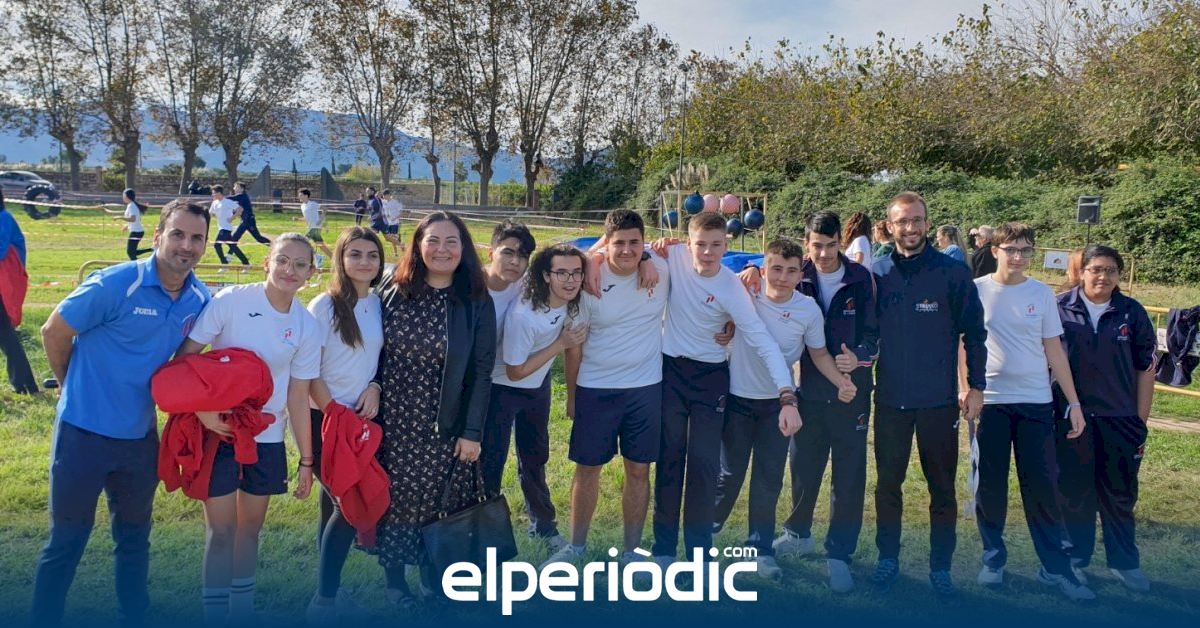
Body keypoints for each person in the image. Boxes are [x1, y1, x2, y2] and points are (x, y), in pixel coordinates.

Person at [32, 199, 212, 626]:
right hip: (82, 434)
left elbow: (185, 365)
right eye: (178, 234)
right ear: (157, 236)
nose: (186, 246)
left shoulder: (200, 299)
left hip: (139, 440)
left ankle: (134, 614)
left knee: (134, 539)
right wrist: (68, 386)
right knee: (67, 540)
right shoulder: (115, 284)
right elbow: (54, 331)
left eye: (197, 238)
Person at [179, 233, 321, 624]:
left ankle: (241, 612)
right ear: (267, 263)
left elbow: (298, 395)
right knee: (222, 531)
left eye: (300, 264)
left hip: (266, 439)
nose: (290, 270)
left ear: (311, 273)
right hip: (220, 432)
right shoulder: (231, 301)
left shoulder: (307, 326)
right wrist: (204, 410)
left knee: (250, 530)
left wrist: (306, 460)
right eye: (283, 260)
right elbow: (186, 359)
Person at [650, 211, 802, 566]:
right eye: (700, 244)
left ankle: (700, 554)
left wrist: (786, 393)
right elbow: (620, 249)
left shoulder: (732, 288)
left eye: (716, 245)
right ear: (687, 243)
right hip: (672, 373)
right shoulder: (672, 256)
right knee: (669, 461)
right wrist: (642, 256)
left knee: (704, 467)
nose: (707, 252)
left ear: (726, 245)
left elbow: (762, 340)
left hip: (711, 379)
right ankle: (664, 551)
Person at [740, 211, 879, 593]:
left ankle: (839, 555)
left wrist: (859, 357)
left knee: (848, 474)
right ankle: (798, 533)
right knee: (803, 464)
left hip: (852, 389)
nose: (823, 254)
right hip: (810, 389)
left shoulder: (861, 278)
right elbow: (766, 273)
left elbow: (875, 334)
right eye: (816, 246)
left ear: (841, 243)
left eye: (831, 246)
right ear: (807, 243)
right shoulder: (797, 273)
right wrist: (750, 268)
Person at [369, 211, 495, 608]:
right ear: (418, 245)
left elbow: (482, 371)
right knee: (395, 500)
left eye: (451, 241)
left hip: (444, 420)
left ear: (464, 248)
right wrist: (372, 386)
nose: (442, 250)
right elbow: (369, 347)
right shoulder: (392, 288)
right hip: (392, 418)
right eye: (433, 240)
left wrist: (472, 432)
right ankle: (394, 582)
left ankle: (432, 578)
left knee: (438, 501)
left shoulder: (475, 300)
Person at [713, 238, 857, 580]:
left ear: (800, 274)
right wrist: (746, 273)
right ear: (763, 269)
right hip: (737, 400)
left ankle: (760, 550)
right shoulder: (746, 295)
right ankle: (705, 535)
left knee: (768, 479)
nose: (782, 277)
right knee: (729, 475)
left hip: (779, 407)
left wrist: (841, 382)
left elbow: (818, 354)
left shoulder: (808, 310)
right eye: (775, 269)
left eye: (791, 271)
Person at [965, 222, 1094, 600]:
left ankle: (1055, 568)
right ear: (995, 251)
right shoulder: (976, 291)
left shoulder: (1041, 293)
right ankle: (993, 560)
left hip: (1036, 402)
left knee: (1042, 487)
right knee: (990, 486)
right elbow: (964, 344)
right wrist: (967, 389)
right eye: (1011, 250)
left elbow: (1055, 351)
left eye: (1025, 250)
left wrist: (1073, 402)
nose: (1019, 257)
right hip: (991, 402)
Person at [870, 191, 987, 598]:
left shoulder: (952, 273)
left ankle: (941, 568)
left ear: (927, 223)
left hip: (938, 402)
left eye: (917, 220)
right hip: (890, 400)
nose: (911, 228)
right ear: (890, 226)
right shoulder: (876, 273)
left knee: (942, 489)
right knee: (888, 485)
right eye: (902, 221)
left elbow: (975, 333)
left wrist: (976, 386)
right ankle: (887, 559)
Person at [540, 210, 668, 569]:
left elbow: (704, 260)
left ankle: (631, 553)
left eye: (635, 243)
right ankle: (576, 547)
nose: (627, 250)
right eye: (619, 243)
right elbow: (574, 347)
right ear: (606, 243)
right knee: (588, 469)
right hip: (596, 388)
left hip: (645, 388)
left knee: (639, 470)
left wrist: (753, 270)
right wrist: (573, 396)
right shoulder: (587, 281)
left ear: (644, 243)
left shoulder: (661, 268)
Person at [1055, 245, 1156, 593]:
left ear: (1119, 275)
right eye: (1096, 269)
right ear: (1081, 271)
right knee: (1075, 493)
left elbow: (1145, 369)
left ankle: (1125, 563)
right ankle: (1075, 559)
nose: (1103, 276)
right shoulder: (1059, 307)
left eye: (1111, 270)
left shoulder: (1132, 312)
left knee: (1120, 495)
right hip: (1072, 418)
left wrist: (1139, 420)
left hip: (1120, 418)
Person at [482, 243, 589, 550]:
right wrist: (559, 344)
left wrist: (572, 398)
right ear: (545, 275)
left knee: (535, 457)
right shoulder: (524, 316)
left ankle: (543, 526)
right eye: (562, 273)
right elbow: (515, 372)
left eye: (576, 273)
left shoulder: (571, 300)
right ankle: (484, 534)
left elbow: (573, 351)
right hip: (501, 389)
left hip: (537, 387)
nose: (570, 280)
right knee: (491, 463)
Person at [303, 227, 386, 622]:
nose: (364, 262)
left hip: (358, 418)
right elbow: (308, 370)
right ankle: (323, 603)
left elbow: (377, 360)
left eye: (372, 255)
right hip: (324, 418)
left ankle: (328, 590)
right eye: (355, 254)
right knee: (350, 504)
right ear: (341, 258)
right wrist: (334, 413)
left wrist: (375, 386)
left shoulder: (379, 303)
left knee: (331, 502)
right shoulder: (324, 306)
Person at [0, 189, 37, 394]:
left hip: (5, 284)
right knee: (6, 335)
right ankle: (23, 383)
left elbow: (0, 250)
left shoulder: (3, 218)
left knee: (6, 335)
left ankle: (24, 383)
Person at [104, 188, 153, 260]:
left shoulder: (131, 206)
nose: (122, 197)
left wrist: (120, 217)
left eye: (123, 195)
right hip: (137, 232)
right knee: (132, 252)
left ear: (127, 196)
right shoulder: (131, 205)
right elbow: (135, 219)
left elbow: (133, 219)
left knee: (130, 252)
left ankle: (137, 264)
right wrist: (127, 226)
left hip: (136, 232)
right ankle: (152, 249)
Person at [210, 185, 250, 268]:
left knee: (217, 245)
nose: (212, 195)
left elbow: (240, 209)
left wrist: (232, 218)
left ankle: (224, 265)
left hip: (226, 228)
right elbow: (210, 213)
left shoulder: (227, 202)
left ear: (219, 193)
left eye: (214, 193)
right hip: (221, 227)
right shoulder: (214, 203)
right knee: (233, 247)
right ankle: (246, 263)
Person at [299, 188, 333, 267]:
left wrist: (321, 219)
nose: (299, 197)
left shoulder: (312, 204)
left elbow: (325, 209)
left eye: (301, 195)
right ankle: (334, 258)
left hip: (315, 228)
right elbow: (307, 218)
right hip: (311, 228)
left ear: (306, 196)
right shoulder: (302, 206)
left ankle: (318, 257)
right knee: (321, 246)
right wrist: (298, 219)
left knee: (303, 242)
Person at [381, 189, 405, 257]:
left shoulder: (395, 202)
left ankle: (396, 253)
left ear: (388, 195)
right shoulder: (384, 202)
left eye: (385, 195)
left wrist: (395, 218)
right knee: (390, 238)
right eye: (383, 195)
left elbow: (401, 212)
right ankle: (400, 244)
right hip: (387, 223)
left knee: (392, 237)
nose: (383, 197)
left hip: (394, 223)